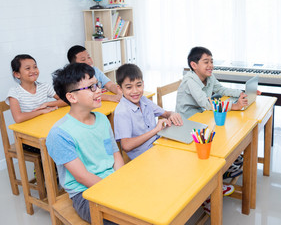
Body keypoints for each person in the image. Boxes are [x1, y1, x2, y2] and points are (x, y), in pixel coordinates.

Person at [46, 63, 124, 224]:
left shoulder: (102, 119)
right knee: (127, 219)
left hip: (113, 182)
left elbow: (116, 154)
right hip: (85, 194)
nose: (99, 91)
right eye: (91, 87)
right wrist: (114, 189)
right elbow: (82, 177)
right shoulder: (59, 133)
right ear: (72, 97)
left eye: (97, 85)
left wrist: (121, 181)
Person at [176, 46, 252, 179]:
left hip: (201, 114)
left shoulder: (209, 76)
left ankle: (227, 160)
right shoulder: (189, 80)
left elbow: (221, 90)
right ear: (194, 65)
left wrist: (242, 93)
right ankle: (221, 171)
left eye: (212, 61)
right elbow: (205, 103)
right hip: (188, 120)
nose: (211, 65)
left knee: (222, 127)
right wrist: (234, 106)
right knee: (216, 131)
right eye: (206, 62)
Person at [113, 63, 183, 160]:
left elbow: (166, 113)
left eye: (138, 85)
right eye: (129, 87)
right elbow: (126, 145)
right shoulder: (122, 111)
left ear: (143, 84)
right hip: (144, 157)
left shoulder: (144, 100)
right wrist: (155, 130)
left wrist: (172, 114)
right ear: (120, 89)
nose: (135, 91)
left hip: (158, 146)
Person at [6, 54, 67, 123]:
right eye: (28, 68)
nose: (33, 71)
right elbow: (18, 118)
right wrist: (41, 111)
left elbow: (66, 101)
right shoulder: (14, 92)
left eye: (35, 67)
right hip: (27, 129)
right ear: (17, 74)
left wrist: (47, 104)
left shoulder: (44, 86)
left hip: (45, 123)